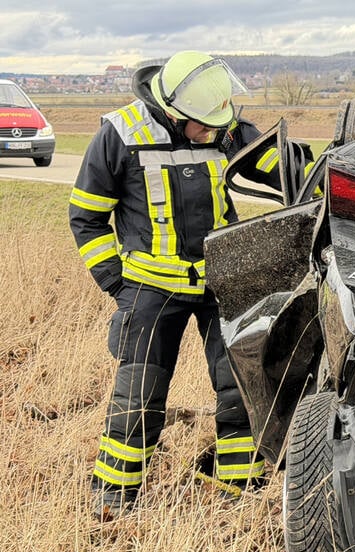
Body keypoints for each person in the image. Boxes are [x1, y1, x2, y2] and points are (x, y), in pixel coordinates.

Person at [69, 51, 292, 518]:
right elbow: (86, 216)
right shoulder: (120, 134)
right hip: (149, 291)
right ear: (173, 112)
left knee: (240, 384)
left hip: (219, 283)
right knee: (140, 396)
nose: (214, 135)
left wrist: (311, 165)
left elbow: (282, 168)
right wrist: (118, 283)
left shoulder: (220, 123)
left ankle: (237, 489)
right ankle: (114, 500)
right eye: (203, 128)